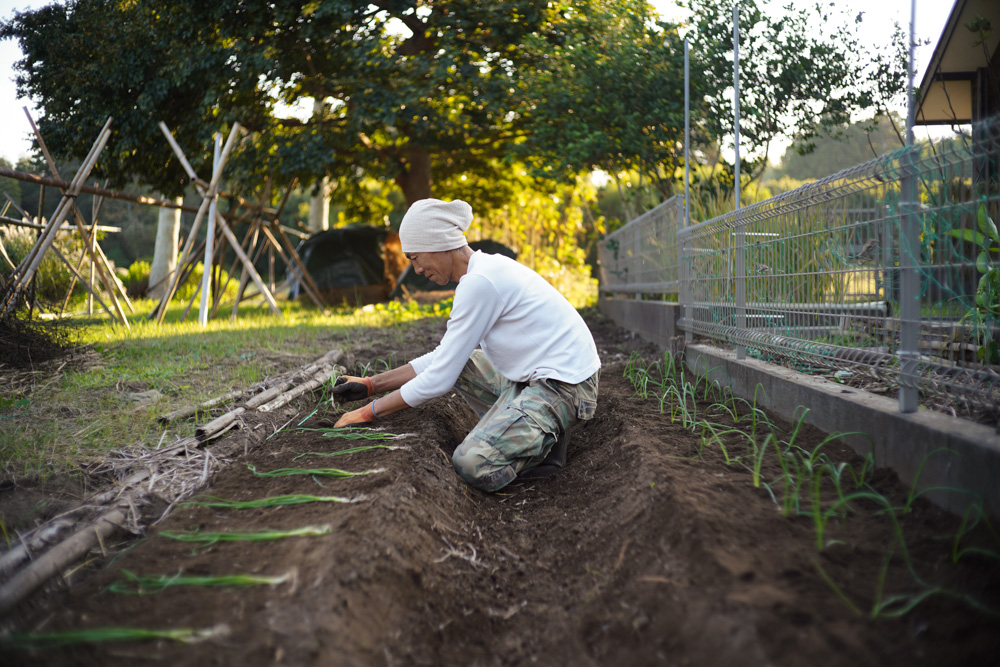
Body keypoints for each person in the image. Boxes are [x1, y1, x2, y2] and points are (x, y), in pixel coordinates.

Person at [332, 198, 600, 492]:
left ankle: (543, 448)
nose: (416, 269)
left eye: (415, 257)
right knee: (463, 361)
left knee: (472, 463)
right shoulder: (484, 270)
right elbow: (444, 358)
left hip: (565, 387)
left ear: (438, 244)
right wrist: (372, 385)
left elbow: (439, 379)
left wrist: (367, 412)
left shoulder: (480, 282)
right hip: (539, 376)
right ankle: (527, 426)